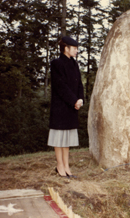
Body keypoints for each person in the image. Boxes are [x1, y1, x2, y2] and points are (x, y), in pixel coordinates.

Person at [47, 36, 84, 178]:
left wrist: (80, 99)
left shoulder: (74, 64)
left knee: (67, 139)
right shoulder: (56, 63)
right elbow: (60, 86)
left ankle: (66, 165)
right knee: (59, 138)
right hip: (61, 106)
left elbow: (79, 83)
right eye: (74, 48)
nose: (76, 51)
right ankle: (59, 165)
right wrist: (73, 100)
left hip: (72, 106)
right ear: (66, 48)